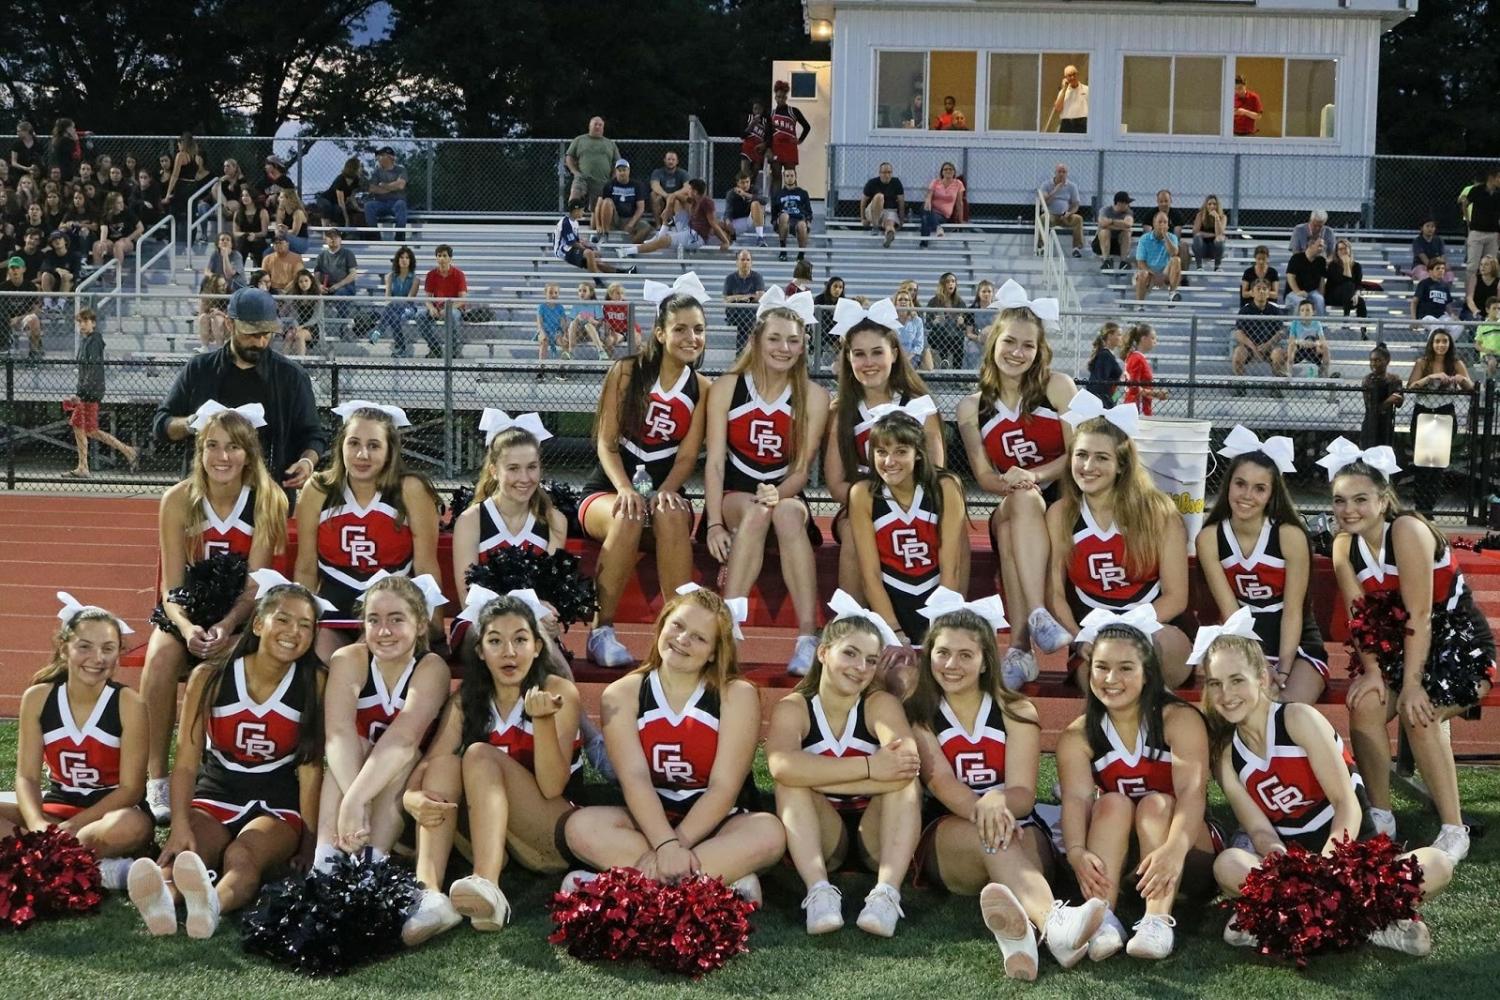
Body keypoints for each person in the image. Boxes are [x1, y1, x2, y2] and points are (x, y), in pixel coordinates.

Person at [1198, 634, 1453, 956]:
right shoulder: (1225, 753)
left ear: (1262, 678)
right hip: (1294, 873)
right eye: (1215, 684)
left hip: (1350, 860)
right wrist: (1277, 855)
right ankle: (1373, 923)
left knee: (1438, 864)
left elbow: (1346, 805)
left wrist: (1330, 870)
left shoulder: (1298, 718)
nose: (1226, 694)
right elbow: (1259, 829)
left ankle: (1283, 922)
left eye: (1237, 680)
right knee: (1228, 864)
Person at [905, 606, 1107, 978]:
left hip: (1021, 824)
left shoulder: (1017, 710)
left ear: (985, 662)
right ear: (928, 655)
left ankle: (1022, 942)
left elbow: (1023, 793)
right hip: (952, 834)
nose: (952, 664)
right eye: (942, 653)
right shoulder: (919, 714)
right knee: (994, 840)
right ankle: (1056, 923)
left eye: (966, 655)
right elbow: (944, 785)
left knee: (1009, 844)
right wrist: (989, 810)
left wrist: (1000, 801)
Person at [126, 580, 326, 939]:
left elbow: (311, 768)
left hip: (277, 801)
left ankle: (212, 907)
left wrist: (309, 843)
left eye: (305, 625)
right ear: (258, 624)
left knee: (243, 855)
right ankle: (164, 901)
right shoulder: (210, 676)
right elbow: (186, 761)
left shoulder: (314, 681)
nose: (293, 632)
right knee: (192, 851)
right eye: (283, 620)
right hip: (217, 789)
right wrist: (180, 826)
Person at [1324, 441, 1491, 866]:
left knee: (1422, 715)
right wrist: (1375, 674)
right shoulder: (1345, 545)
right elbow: (1361, 618)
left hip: (1456, 643)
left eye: (1361, 499)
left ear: (1383, 500)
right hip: (1401, 651)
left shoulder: (1407, 530)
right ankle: (1382, 820)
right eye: (1340, 500)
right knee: (1364, 706)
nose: (1349, 509)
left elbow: (1421, 613)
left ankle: (1454, 828)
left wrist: (1413, 684)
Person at [560, 588, 787, 896]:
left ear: (713, 653)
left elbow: (724, 787)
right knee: (579, 827)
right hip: (648, 818)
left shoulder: (736, 694)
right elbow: (635, 780)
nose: (682, 640)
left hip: (717, 821)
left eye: (699, 637)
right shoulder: (622, 693)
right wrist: (665, 844)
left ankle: (621, 884)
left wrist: (674, 846)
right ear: (662, 626)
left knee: (770, 833)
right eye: (677, 626)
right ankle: (717, 882)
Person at [399, 592, 585, 943]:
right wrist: (411, 797)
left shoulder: (559, 691)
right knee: (444, 765)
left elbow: (552, 786)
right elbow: (431, 762)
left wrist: (543, 720)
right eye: (495, 642)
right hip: (493, 833)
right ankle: (429, 894)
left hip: (548, 831)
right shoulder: (468, 698)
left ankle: (488, 886)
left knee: (479, 755)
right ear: (481, 651)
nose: (509, 652)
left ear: (537, 648)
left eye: (520, 640)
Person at [137, 403, 288, 820]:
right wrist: (185, 628)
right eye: (214, 447)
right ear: (200, 452)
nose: (223, 457)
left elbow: (255, 586)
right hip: (186, 610)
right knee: (160, 657)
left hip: (243, 612)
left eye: (234, 448)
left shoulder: (267, 499)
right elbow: (171, 587)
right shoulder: (177, 500)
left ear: (249, 454)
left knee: (232, 657)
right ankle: (157, 780)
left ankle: (210, 768)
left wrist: (224, 625)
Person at [1055, 616, 1217, 960]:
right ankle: (1102, 916)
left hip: (1187, 851)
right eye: (1102, 667)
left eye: (1126, 668)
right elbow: (1075, 800)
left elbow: (1192, 794)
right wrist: (1076, 852)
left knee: (1156, 805)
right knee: (1111, 803)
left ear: (1148, 672)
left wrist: (1173, 850)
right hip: (1126, 858)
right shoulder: (1078, 734)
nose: (1111, 679)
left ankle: (1157, 920)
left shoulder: (1179, 718)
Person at [767, 610, 922, 937]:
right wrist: (871, 768)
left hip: (877, 833)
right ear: (823, 653)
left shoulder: (878, 703)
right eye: (850, 653)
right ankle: (819, 891)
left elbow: (906, 762)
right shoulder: (794, 707)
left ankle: (886, 894)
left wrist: (817, 775)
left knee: (905, 783)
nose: (860, 667)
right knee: (789, 784)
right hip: (822, 835)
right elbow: (781, 766)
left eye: (870, 660)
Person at [578, 289, 709, 667]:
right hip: (606, 490)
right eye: (680, 329)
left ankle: (674, 636)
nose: (691, 338)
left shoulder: (701, 387)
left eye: (698, 330)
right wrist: (624, 489)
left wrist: (666, 490)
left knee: (668, 512)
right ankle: (600, 631)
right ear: (660, 333)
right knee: (628, 512)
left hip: (664, 493)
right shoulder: (626, 371)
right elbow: (606, 443)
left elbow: (686, 457)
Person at [956, 281, 1076, 685]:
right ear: (993, 343)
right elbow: (984, 475)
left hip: (1062, 499)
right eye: (1009, 342)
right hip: (1011, 497)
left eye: (1027, 346)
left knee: (1012, 535)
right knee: (1021, 507)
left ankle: (1021, 648)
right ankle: (1039, 615)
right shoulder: (971, 406)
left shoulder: (1058, 387)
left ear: (1039, 351)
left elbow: (1079, 455)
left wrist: (1035, 476)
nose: (1017, 353)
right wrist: (1014, 483)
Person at [705, 300, 830, 675]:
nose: (783, 348)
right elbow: (713, 462)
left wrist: (780, 491)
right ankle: (727, 629)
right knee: (759, 511)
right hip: (735, 495)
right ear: (757, 340)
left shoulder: (816, 396)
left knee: (789, 514)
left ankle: (808, 637)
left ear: (803, 344)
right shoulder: (727, 387)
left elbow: (801, 469)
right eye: (774, 338)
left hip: (786, 490)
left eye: (793, 340)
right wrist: (712, 523)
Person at [0, 597, 153, 891]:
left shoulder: (129, 703)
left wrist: (71, 828)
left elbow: (131, 789)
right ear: (64, 648)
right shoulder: (38, 697)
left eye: (107, 649)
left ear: (118, 654)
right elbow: (26, 776)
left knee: (131, 826)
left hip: (108, 817)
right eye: (84, 647)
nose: (97, 658)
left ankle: (36, 861)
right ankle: (103, 871)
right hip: (56, 808)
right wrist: (36, 824)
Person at [1046, 398, 1193, 687]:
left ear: (1122, 466)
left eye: (1102, 457)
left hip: (1157, 627)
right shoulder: (1060, 514)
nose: (1088, 466)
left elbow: (1176, 597)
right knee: (1104, 676)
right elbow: (1054, 592)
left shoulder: (1158, 512)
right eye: (1081, 455)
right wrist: (1078, 638)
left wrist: (1126, 630)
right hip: (1092, 636)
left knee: (1143, 661)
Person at [315, 575, 449, 874]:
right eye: (374, 620)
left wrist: (357, 801)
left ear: (421, 625)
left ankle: (372, 863)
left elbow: (403, 740)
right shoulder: (348, 658)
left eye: (396, 619)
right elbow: (337, 733)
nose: (384, 631)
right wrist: (355, 801)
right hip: (356, 799)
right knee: (354, 745)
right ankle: (325, 861)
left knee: (402, 756)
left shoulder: (431, 667)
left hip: (408, 797)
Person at [294, 401, 441, 663]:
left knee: (365, 655)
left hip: (393, 609)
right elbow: (306, 567)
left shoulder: (410, 489)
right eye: (354, 443)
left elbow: (426, 564)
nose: (362, 455)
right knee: (321, 659)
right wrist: (301, 620)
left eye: (374, 446)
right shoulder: (318, 489)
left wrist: (437, 629)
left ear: (389, 451)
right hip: (335, 611)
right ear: (341, 446)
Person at [1194, 427, 1326, 703]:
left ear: (1272, 493)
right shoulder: (1209, 539)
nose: (1247, 495)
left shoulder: (1290, 536)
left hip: (1297, 646)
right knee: (1230, 706)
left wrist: (1283, 671)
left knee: (1287, 709)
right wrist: (1259, 663)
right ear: (1228, 483)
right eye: (1240, 484)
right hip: (1240, 641)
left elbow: (1293, 613)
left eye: (1260, 488)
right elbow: (1231, 613)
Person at [825, 299, 943, 601]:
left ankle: (932, 619)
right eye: (859, 354)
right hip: (860, 506)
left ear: (894, 352)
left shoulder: (918, 406)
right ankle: (850, 624)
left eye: (877, 352)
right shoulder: (842, 411)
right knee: (854, 529)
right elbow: (836, 482)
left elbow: (935, 471)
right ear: (848, 359)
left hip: (916, 504)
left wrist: (900, 502)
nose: (869, 362)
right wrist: (873, 503)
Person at [152, 287, 325, 490]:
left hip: (267, 498)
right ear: (229, 324)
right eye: (250, 334)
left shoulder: (292, 377)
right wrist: (193, 422)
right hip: (205, 498)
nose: (260, 342)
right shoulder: (199, 369)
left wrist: (306, 462)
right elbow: (161, 425)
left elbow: (313, 435)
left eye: (266, 334)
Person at [847, 408, 968, 646]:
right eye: (881, 452)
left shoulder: (945, 487)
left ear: (919, 454)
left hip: (936, 601)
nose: (889, 462)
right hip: (889, 602)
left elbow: (951, 568)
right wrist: (894, 632)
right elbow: (870, 574)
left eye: (901, 452)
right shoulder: (863, 494)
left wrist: (938, 629)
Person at [450, 411, 568, 644]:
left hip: (532, 630)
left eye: (532, 467)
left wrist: (550, 619)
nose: (524, 478)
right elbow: (468, 598)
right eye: (513, 468)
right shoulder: (471, 520)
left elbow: (549, 592)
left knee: (543, 646)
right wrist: (527, 613)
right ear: (494, 470)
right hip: (480, 626)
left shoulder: (554, 521)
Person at [63, 309, 137, 478]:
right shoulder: (86, 341)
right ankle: (86, 464)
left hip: (90, 391)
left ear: (93, 323)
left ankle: (87, 465)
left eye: (86, 321)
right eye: (80, 321)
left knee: (84, 427)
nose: (82, 324)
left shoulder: (94, 341)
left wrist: (81, 393)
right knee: (87, 428)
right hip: (87, 390)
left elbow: (93, 369)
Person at [553, 197, 631, 275]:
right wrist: (588, 249)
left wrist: (586, 244)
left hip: (570, 249)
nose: (583, 212)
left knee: (595, 260)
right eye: (582, 210)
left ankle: (622, 272)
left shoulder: (574, 222)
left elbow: (576, 240)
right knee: (589, 253)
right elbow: (572, 243)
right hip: (563, 251)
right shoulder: (566, 223)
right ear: (576, 211)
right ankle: (598, 281)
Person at [417, 244, 468, 358]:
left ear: (450, 258)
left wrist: (448, 308)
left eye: (444, 256)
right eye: (439, 256)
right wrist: (431, 308)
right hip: (437, 308)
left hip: (454, 308)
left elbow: (463, 299)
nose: (441, 259)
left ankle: (453, 351)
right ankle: (435, 348)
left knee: (453, 316)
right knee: (420, 315)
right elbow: (427, 298)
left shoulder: (459, 275)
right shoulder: (431, 275)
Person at [1232, 279, 1287, 380]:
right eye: (1258, 289)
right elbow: (1238, 333)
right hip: (1249, 347)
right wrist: (1253, 347)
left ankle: (1277, 385)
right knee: (1238, 353)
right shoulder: (1245, 310)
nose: (1261, 291)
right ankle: (1240, 384)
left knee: (1278, 354)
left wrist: (1267, 345)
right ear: (1252, 293)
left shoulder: (1275, 310)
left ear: (1268, 293)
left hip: (1270, 346)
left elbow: (1281, 332)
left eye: (1264, 289)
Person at [766, 80, 812, 196]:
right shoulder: (771, 114)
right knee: (776, 176)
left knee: (790, 176)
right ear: (775, 97)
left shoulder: (793, 111)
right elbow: (767, 135)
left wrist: (800, 140)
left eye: (783, 97)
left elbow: (807, 127)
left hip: (789, 148)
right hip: (776, 148)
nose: (780, 99)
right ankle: (775, 204)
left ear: (786, 97)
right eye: (778, 97)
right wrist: (769, 150)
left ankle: (792, 203)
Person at [593, 160, 651, 245]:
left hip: (629, 218)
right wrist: (598, 225)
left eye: (624, 170)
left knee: (646, 227)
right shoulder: (609, 184)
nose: (622, 173)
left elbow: (641, 208)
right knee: (607, 202)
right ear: (616, 172)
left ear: (629, 171)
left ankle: (630, 248)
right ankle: (605, 235)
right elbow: (599, 205)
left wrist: (631, 223)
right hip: (614, 219)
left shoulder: (637, 185)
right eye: (619, 170)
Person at [1360, 343, 1404, 450]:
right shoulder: (1368, 380)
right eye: (1371, 360)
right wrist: (1389, 401)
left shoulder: (1394, 379)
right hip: (1371, 424)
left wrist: (1399, 399)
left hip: (1387, 424)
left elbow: (1399, 403)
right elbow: (1372, 409)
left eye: (1378, 360)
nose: (1373, 363)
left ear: (1387, 361)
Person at [376, 245, 420, 350]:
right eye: (401, 257)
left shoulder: (415, 279)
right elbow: (387, 297)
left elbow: (409, 300)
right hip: (392, 309)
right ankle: (400, 346)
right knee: (393, 315)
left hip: (408, 309)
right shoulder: (391, 276)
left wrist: (393, 303)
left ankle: (378, 332)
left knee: (392, 313)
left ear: (411, 261)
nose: (404, 260)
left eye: (407, 257)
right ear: (397, 260)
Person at [723, 248, 766, 352]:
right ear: (737, 262)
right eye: (742, 260)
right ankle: (746, 352)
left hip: (751, 313)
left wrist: (736, 298)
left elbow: (760, 297)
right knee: (745, 315)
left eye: (748, 260)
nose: (745, 262)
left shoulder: (757, 277)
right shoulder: (730, 278)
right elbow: (726, 299)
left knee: (747, 315)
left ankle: (741, 353)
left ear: (751, 262)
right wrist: (746, 298)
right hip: (735, 313)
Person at [1133, 213, 1182, 303]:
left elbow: (1174, 253)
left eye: (1165, 222)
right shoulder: (1144, 239)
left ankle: (1172, 294)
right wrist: (1154, 275)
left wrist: (1165, 236)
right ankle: (1139, 306)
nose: (1162, 224)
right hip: (1149, 273)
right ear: (1154, 223)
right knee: (1142, 274)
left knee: (1176, 260)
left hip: (1165, 273)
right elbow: (1140, 263)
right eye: (1159, 222)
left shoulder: (1172, 237)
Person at [925, 271, 969, 370]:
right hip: (936, 338)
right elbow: (927, 324)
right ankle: (944, 360)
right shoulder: (934, 301)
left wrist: (962, 323)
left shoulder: (960, 302)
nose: (951, 284)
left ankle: (957, 374)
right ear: (942, 284)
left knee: (959, 338)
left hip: (954, 337)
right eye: (948, 282)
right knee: (941, 328)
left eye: (953, 281)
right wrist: (934, 322)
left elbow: (966, 326)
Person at [1037, 164, 1083, 256]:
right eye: (1059, 172)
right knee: (1042, 218)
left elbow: (1075, 204)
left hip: (1065, 216)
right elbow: (1045, 202)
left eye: (1064, 172)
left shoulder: (1072, 186)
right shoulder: (1046, 185)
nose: (1061, 174)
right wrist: (1056, 190)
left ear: (1067, 174)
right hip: (1051, 215)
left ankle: (1076, 248)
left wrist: (1069, 212)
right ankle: (1042, 246)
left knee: (1078, 219)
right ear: (1055, 173)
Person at [163, 133, 211, 223]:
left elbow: (175, 175)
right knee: (191, 214)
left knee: (175, 212)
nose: (178, 146)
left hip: (182, 186)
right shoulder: (197, 157)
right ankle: (191, 236)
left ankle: (175, 235)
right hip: (192, 186)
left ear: (182, 143)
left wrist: (168, 193)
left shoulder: (181, 155)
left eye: (179, 144)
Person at [365, 146, 409, 242]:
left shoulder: (401, 170)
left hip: (396, 202)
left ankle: (399, 237)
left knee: (401, 204)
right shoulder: (377, 172)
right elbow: (372, 188)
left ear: (389, 157)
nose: (378, 158)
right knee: (369, 206)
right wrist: (392, 187)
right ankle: (375, 236)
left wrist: (382, 185)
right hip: (380, 203)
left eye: (380, 155)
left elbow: (401, 185)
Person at [1, 255, 42, 357]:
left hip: (23, 318)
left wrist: (18, 318)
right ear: (9, 270)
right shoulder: (2, 287)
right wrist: (7, 320)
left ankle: (34, 354)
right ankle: (3, 352)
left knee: (34, 319)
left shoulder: (31, 287)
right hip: (4, 320)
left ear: (23, 269)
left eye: (17, 268)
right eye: (12, 268)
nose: (15, 271)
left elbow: (36, 310)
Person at [1460, 165, 1500, 269]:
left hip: (1493, 233)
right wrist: (1468, 221)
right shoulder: (1477, 190)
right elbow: (1465, 203)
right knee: (1473, 265)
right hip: (1477, 231)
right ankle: (1471, 285)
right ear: (1491, 178)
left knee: (1491, 266)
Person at [1121, 323, 1166, 414]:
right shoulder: (1137, 358)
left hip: (1138, 406)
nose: (1155, 342)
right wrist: (1156, 393)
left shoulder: (1136, 357)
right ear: (1143, 339)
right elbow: (1134, 386)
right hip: (1137, 407)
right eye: (1152, 338)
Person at [313, 228, 359, 314]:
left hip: (345, 287)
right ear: (326, 240)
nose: (333, 239)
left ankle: (343, 322)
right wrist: (319, 286)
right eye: (330, 237)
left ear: (340, 239)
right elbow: (316, 275)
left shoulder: (348, 254)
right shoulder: (321, 256)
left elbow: (353, 274)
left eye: (336, 237)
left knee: (340, 294)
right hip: (326, 288)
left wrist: (337, 285)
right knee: (310, 293)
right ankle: (315, 323)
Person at [774, 167, 813, 262]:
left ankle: (801, 255)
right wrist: (775, 221)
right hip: (784, 222)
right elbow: (774, 212)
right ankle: (783, 251)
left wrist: (808, 220)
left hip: (798, 219)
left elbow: (809, 211)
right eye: (787, 176)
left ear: (796, 177)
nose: (790, 178)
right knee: (784, 215)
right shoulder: (778, 194)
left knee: (802, 224)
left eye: (792, 175)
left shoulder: (803, 193)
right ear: (784, 177)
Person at [316, 157, 364, 232]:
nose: (361, 169)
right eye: (360, 167)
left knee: (338, 210)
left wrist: (357, 208)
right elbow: (341, 202)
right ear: (354, 168)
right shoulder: (340, 179)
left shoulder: (356, 180)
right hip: (325, 199)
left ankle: (335, 232)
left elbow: (352, 197)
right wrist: (346, 219)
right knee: (327, 207)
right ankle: (325, 232)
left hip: (336, 202)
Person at [1325, 238, 1368, 319]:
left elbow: (1358, 284)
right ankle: (1346, 318)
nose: (1343, 251)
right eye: (1340, 249)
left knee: (1360, 301)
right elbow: (1344, 281)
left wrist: (1356, 295)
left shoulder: (1357, 266)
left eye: (1345, 248)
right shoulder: (1333, 266)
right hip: (1333, 296)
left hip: (1349, 297)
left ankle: (1363, 327)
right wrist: (1346, 264)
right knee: (1348, 285)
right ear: (1337, 253)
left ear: (1350, 250)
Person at [1284, 237, 1328, 315]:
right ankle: (1296, 326)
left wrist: (1321, 294)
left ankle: (1321, 325)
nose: (1322, 248)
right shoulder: (1296, 258)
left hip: (1312, 292)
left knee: (1319, 299)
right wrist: (1298, 292)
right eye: (1320, 246)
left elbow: (1322, 280)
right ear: (1311, 245)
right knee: (1301, 301)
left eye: (1323, 246)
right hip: (1293, 292)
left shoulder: (1321, 261)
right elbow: (1290, 277)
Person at [1287, 300, 1331, 377]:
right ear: (1299, 312)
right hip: (1300, 348)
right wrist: (1299, 342)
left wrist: (1316, 344)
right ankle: (1289, 374)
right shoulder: (1295, 323)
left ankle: (1325, 374)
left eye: (1308, 310)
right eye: (1302, 310)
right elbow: (1291, 340)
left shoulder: (1317, 323)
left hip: (1313, 349)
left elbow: (1322, 340)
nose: (1305, 312)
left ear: (1313, 312)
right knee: (1291, 346)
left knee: (1325, 347)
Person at [724, 172, 767, 246]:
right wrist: (728, 221)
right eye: (742, 183)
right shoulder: (731, 193)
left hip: (752, 219)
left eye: (747, 182)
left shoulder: (755, 189)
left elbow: (765, 200)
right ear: (737, 183)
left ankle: (760, 237)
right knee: (722, 223)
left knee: (756, 204)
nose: (745, 185)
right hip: (738, 220)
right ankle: (731, 240)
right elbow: (728, 211)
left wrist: (745, 194)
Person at [1094, 192, 1134, 271]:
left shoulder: (1128, 212)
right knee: (1105, 231)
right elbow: (1102, 223)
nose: (1128, 205)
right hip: (1100, 244)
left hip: (1118, 244)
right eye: (1127, 203)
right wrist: (1120, 225)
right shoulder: (1105, 210)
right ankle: (1106, 261)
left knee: (1126, 233)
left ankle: (1123, 262)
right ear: (1119, 203)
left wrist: (1110, 222)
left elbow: (1128, 224)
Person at [1085, 322, 1123, 401]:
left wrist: (1114, 399)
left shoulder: (1108, 355)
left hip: (1107, 399)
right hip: (1102, 401)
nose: (1121, 338)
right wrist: (1108, 402)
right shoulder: (1105, 355)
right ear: (1110, 336)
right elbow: (1102, 383)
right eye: (1119, 335)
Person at [648, 150, 689, 225]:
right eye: (669, 159)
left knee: (680, 199)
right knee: (653, 195)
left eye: (673, 160)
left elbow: (687, 188)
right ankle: (658, 226)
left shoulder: (683, 173)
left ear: (677, 161)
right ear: (664, 160)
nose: (671, 162)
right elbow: (654, 185)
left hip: (676, 199)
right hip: (663, 198)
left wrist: (674, 195)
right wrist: (666, 195)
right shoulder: (657, 172)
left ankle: (678, 225)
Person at [232, 186, 270, 263]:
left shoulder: (262, 212)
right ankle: (238, 269)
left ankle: (260, 269)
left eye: (247, 195)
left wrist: (254, 235)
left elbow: (264, 232)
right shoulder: (238, 213)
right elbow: (235, 232)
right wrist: (247, 234)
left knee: (258, 245)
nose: (244, 198)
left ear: (253, 197)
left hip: (258, 239)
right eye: (243, 196)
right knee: (242, 243)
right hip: (243, 239)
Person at [535, 283, 571, 363]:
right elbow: (539, 323)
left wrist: (565, 333)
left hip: (556, 331)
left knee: (564, 342)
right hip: (544, 330)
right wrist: (543, 332)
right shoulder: (542, 307)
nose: (553, 295)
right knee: (544, 341)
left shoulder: (560, 307)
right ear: (545, 293)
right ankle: (541, 367)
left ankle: (563, 366)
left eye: (556, 293)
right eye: (550, 293)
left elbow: (563, 323)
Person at [1190, 195, 1227, 272]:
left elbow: (1219, 234)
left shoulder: (1223, 217)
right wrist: (1212, 235)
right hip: (1201, 248)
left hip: (1215, 249)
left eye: (1214, 204)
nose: (1212, 206)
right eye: (1209, 204)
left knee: (1219, 239)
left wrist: (1217, 218)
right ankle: (1199, 267)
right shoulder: (1200, 215)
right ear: (1206, 205)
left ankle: (1217, 267)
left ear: (1218, 205)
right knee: (1197, 237)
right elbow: (1195, 232)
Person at [196, 275, 232, 349]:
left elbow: (231, 316)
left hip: (226, 327)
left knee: (218, 319)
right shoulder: (207, 296)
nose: (225, 287)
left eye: (225, 284)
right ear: (215, 287)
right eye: (221, 286)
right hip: (210, 329)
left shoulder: (230, 296)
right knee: (203, 318)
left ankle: (220, 347)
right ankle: (204, 347)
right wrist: (209, 315)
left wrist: (219, 313)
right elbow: (200, 314)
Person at [1050, 65, 1089, 133]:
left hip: (1083, 124)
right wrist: (1064, 89)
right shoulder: (1062, 92)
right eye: (1069, 75)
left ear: (1077, 74)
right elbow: (1057, 109)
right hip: (1066, 124)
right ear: (1066, 78)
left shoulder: (1087, 89)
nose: (1072, 77)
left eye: (1074, 74)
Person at [1463, 253, 1500, 322]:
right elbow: (1469, 298)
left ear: (1493, 266)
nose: (1482, 267)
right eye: (1481, 264)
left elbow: (1498, 301)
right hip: (1472, 311)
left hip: (1491, 311)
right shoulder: (1475, 278)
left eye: (1486, 264)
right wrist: (1475, 311)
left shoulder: (1498, 281)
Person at [1410, 219, 1447, 283]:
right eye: (1427, 226)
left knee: (1448, 276)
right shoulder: (1417, 241)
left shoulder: (1439, 240)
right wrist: (1434, 269)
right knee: (1426, 275)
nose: (1430, 229)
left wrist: (1440, 268)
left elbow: (1442, 257)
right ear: (1421, 228)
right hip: (1420, 266)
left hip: (1436, 267)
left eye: (1432, 226)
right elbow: (1423, 258)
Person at [740, 100, 768, 175]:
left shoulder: (766, 121)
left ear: (762, 109)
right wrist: (752, 124)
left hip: (758, 151)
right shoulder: (748, 118)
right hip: (747, 149)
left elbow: (769, 138)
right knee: (744, 173)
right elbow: (742, 135)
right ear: (752, 109)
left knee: (754, 175)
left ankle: (751, 186)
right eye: (755, 109)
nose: (757, 111)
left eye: (759, 109)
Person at [1476, 298, 1500, 378]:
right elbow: (1477, 345)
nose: (1497, 310)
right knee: (1492, 362)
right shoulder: (1482, 326)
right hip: (1487, 354)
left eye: (1499, 308)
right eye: (1494, 308)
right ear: (1487, 310)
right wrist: (1487, 350)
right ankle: (1491, 383)